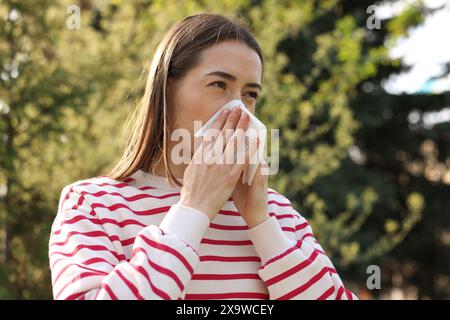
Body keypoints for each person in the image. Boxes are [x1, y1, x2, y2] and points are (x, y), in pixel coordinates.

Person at [48, 13, 358, 300]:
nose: (238, 110)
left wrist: (262, 224)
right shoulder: (92, 205)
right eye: (219, 84)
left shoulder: (278, 212)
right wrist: (194, 209)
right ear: (166, 90)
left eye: (250, 94)